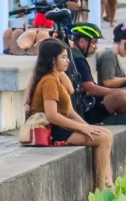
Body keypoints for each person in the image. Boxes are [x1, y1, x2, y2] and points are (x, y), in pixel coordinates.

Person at [26, 37, 112, 188]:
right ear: (53, 60)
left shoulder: (56, 78)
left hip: (61, 127)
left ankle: (108, 182)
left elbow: (70, 106)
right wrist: (80, 128)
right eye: (63, 57)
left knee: (106, 134)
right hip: (53, 131)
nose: (68, 61)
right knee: (103, 139)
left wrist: (86, 126)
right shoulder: (49, 81)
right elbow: (52, 115)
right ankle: (102, 187)